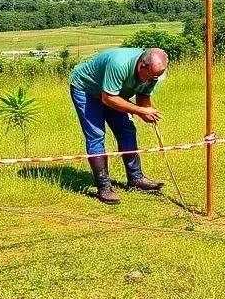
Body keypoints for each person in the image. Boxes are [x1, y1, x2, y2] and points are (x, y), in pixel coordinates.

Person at [69, 47, 167, 204]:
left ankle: (136, 178)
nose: (150, 81)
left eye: (154, 79)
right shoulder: (119, 64)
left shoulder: (153, 74)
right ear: (142, 64)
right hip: (87, 89)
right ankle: (104, 188)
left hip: (114, 93)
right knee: (96, 135)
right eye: (149, 77)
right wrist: (139, 110)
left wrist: (146, 113)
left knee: (127, 130)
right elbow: (108, 99)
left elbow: (143, 96)